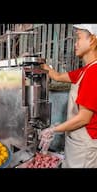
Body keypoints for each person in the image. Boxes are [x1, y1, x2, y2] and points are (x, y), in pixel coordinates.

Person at [38, 24, 97, 168]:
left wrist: (53, 129)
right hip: (76, 141)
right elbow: (57, 76)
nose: (75, 44)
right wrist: (42, 65)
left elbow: (84, 118)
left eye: (78, 38)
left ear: (92, 40)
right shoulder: (85, 70)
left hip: (85, 145)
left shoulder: (93, 72)